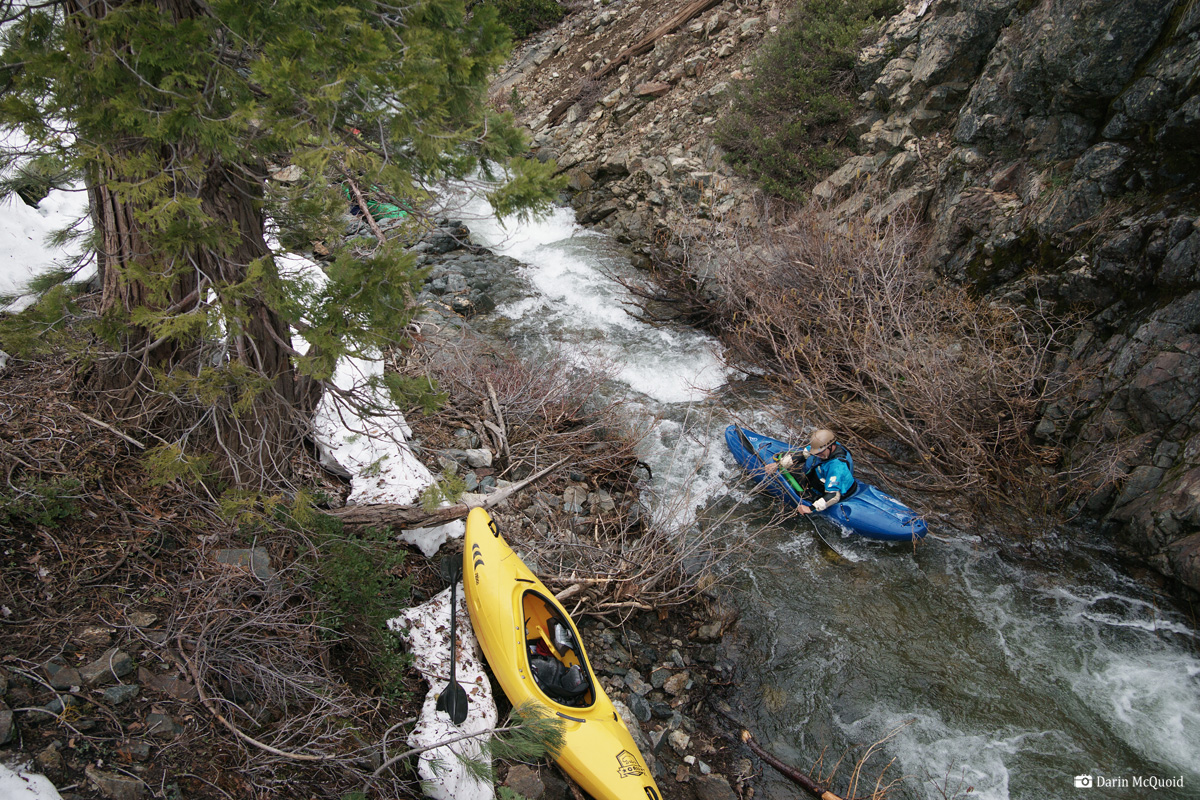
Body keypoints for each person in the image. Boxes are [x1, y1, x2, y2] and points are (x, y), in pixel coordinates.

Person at [764, 428, 856, 514]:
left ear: (830, 447)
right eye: (817, 453)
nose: (818, 455)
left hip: (825, 492)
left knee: (794, 481)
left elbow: (833, 496)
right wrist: (778, 464)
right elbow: (803, 454)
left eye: (820, 453)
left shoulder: (837, 467)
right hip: (820, 479)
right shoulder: (827, 447)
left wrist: (810, 508)